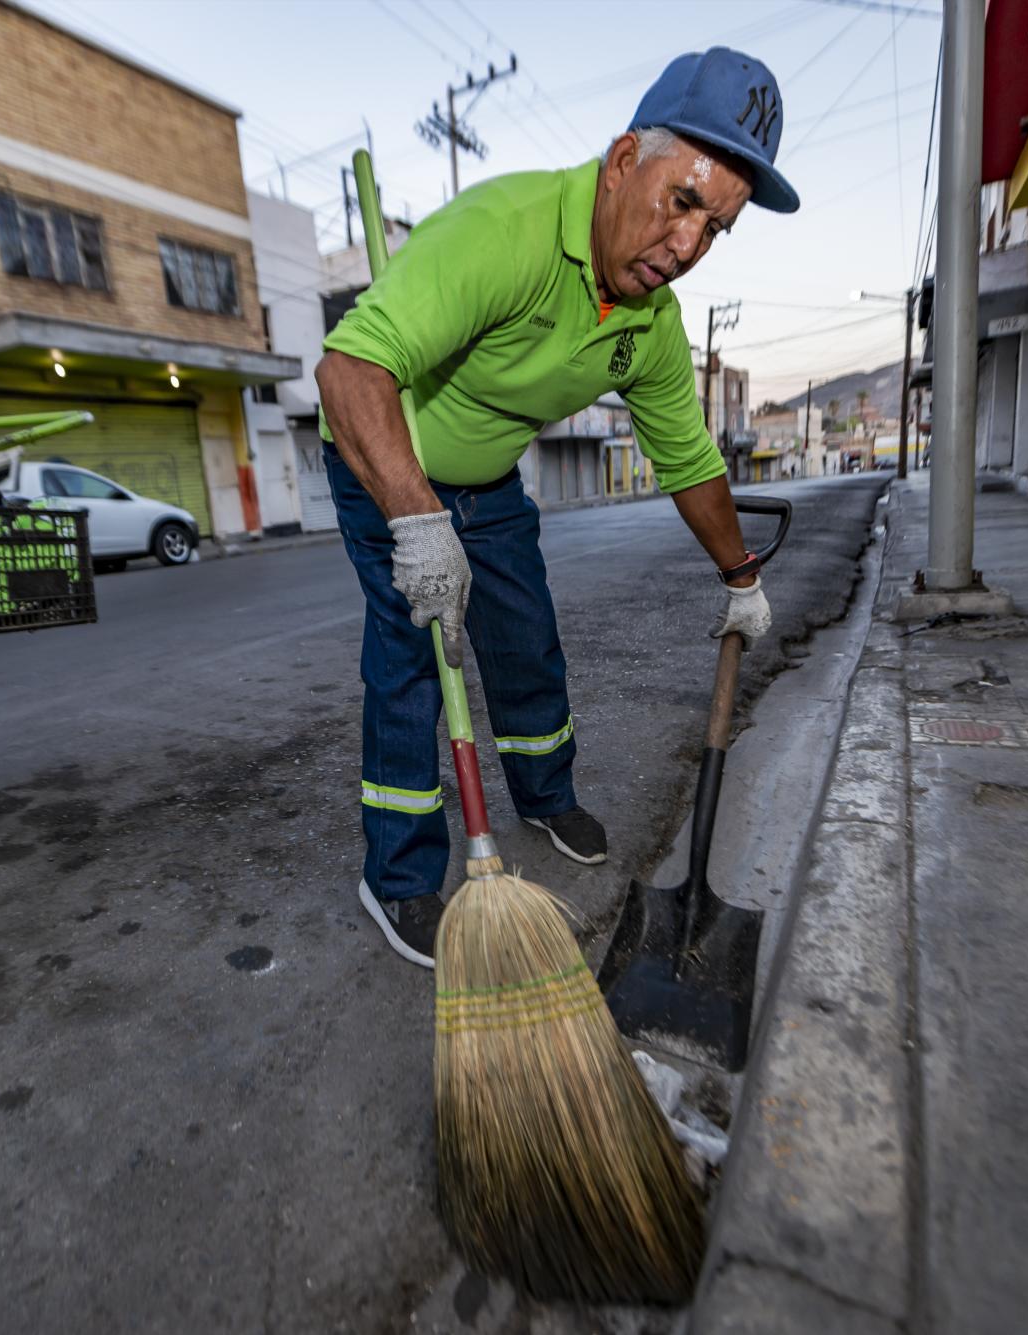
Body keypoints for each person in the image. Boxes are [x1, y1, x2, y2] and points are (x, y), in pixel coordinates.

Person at [315, 47, 799, 967]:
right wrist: (415, 519)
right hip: (387, 464)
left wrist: (741, 575)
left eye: (717, 229)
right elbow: (350, 367)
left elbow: (689, 460)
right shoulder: (507, 229)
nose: (689, 246)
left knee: (524, 636)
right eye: (683, 203)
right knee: (417, 654)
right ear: (625, 163)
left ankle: (544, 795)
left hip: (488, 479)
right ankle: (401, 876)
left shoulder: (650, 324)